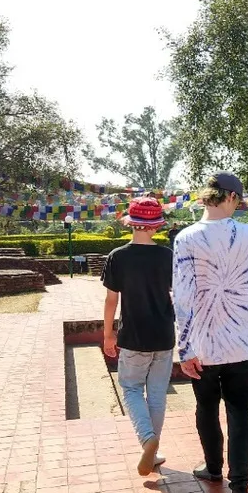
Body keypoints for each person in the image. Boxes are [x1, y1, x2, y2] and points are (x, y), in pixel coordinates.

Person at [172, 172, 248, 493]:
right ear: (231, 197)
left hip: (202, 345)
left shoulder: (186, 238)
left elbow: (182, 298)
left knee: (206, 408)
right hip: (239, 344)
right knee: (239, 413)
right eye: (239, 200)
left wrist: (184, 348)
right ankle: (240, 489)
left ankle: (213, 469)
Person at [102, 197, 173, 477]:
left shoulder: (118, 256)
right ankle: (152, 452)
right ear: (156, 227)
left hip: (133, 336)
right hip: (164, 335)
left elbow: (111, 301)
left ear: (130, 223)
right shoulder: (168, 256)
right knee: (157, 395)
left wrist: (108, 334)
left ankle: (147, 440)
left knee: (131, 388)